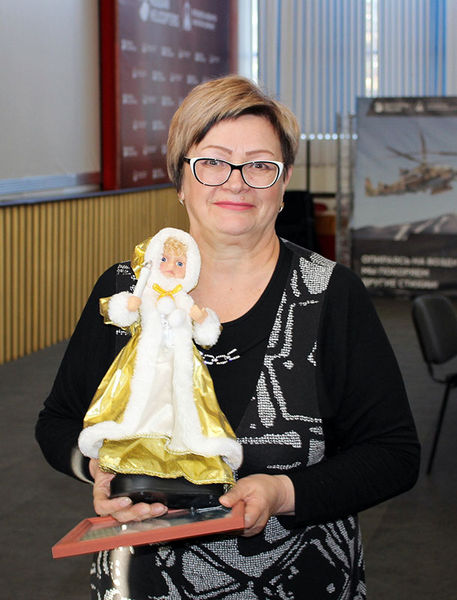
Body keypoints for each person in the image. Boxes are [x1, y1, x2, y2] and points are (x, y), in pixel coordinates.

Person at [36, 75, 420, 599]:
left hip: (299, 581)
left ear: (284, 183)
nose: (236, 183)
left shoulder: (330, 295)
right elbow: (57, 421)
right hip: (144, 584)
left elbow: (393, 454)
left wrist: (282, 491)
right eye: (213, 162)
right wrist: (97, 471)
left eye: (260, 165)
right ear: (181, 179)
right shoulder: (126, 290)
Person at [78, 227, 242, 505]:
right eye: (164, 259)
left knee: (180, 404)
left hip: (180, 363)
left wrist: (202, 318)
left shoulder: (184, 299)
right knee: (143, 402)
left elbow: (206, 335)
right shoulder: (145, 293)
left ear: (191, 269)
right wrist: (128, 304)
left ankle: (182, 454)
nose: (170, 268)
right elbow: (120, 315)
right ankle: (138, 450)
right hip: (145, 361)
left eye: (180, 263)